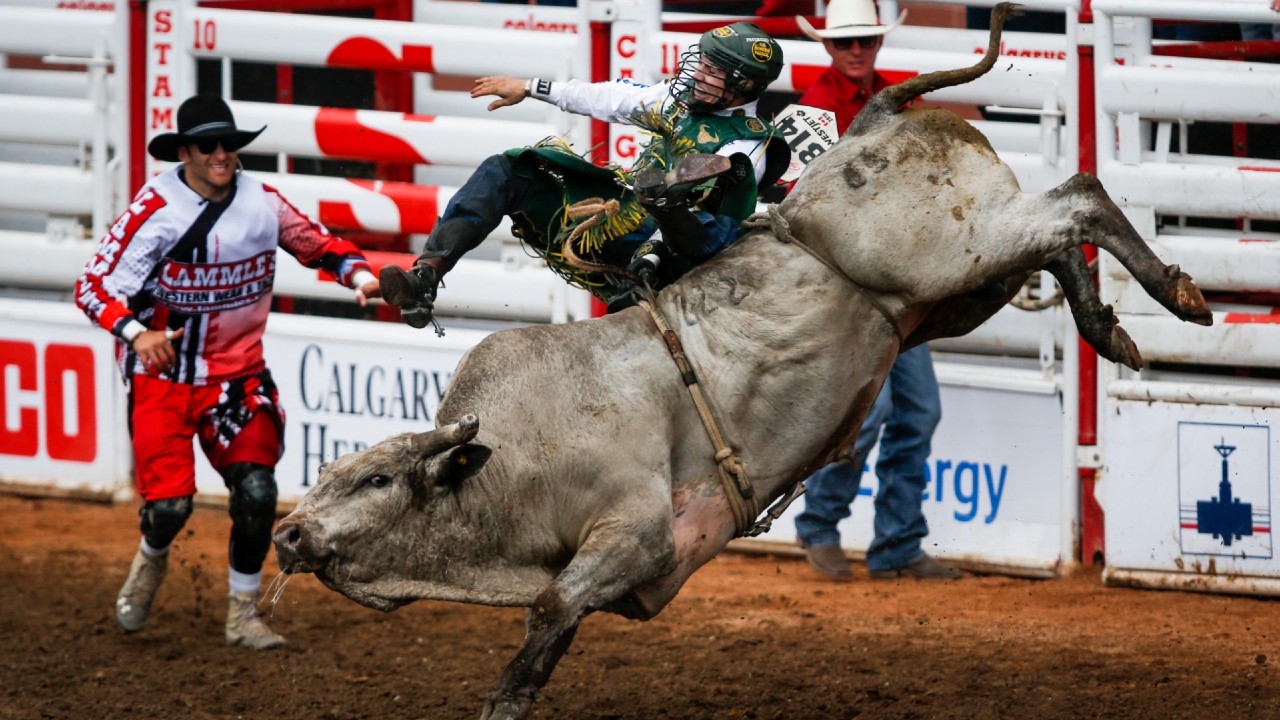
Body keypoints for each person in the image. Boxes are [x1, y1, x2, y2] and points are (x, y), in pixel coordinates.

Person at [75, 94, 382, 648]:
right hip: (163, 377)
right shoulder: (155, 210)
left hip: (239, 378)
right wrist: (138, 333)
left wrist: (360, 277)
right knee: (169, 509)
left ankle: (243, 613)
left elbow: (318, 246)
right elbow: (93, 285)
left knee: (258, 493)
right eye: (207, 146)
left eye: (229, 144)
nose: (221, 154)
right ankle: (151, 554)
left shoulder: (263, 203)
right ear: (185, 153)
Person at [380, 22, 791, 326]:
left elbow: (702, 232)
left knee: (672, 210)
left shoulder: (744, 146)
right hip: (625, 220)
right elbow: (612, 97)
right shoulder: (677, 99)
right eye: (701, 61)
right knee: (508, 169)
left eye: (712, 70)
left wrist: (654, 246)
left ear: (742, 87)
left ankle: (642, 293)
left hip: (683, 256)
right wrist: (531, 87)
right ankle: (426, 276)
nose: (697, 72)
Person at [791, 0, 960, 581]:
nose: (857, 50)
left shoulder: (897, 101)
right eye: (846, 42)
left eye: (865, 39)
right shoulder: (816, 107)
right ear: (829, 47)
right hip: (847, 289)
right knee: (876, 410)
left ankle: (894, 543)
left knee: (917, 411)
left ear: (878, 42)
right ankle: (825, 525)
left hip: (897, 285)